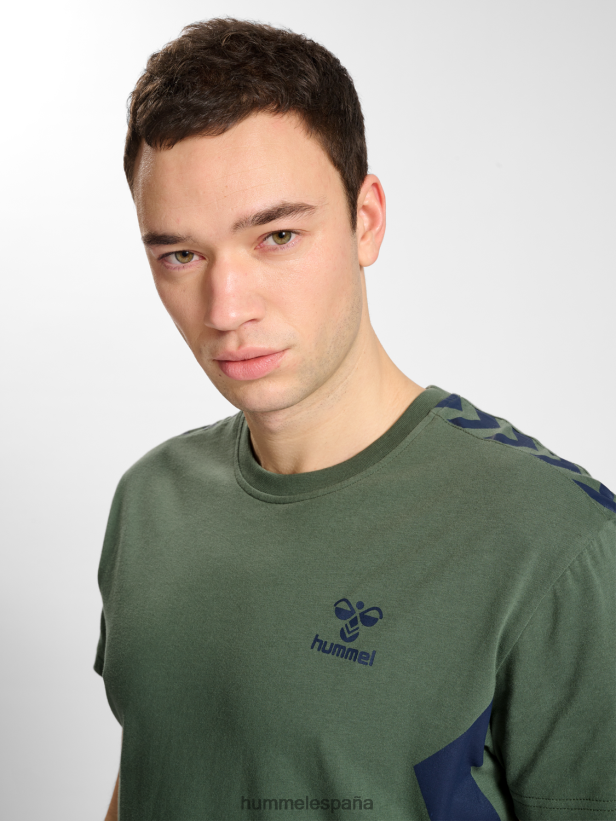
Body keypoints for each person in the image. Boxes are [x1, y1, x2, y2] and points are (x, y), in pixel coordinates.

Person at [94, 17, 616, 821]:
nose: (226, 308)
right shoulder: (150, 501)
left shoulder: (559, 545)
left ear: (365, 219)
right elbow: (153, 777)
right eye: (181, 255)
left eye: (277, 236)